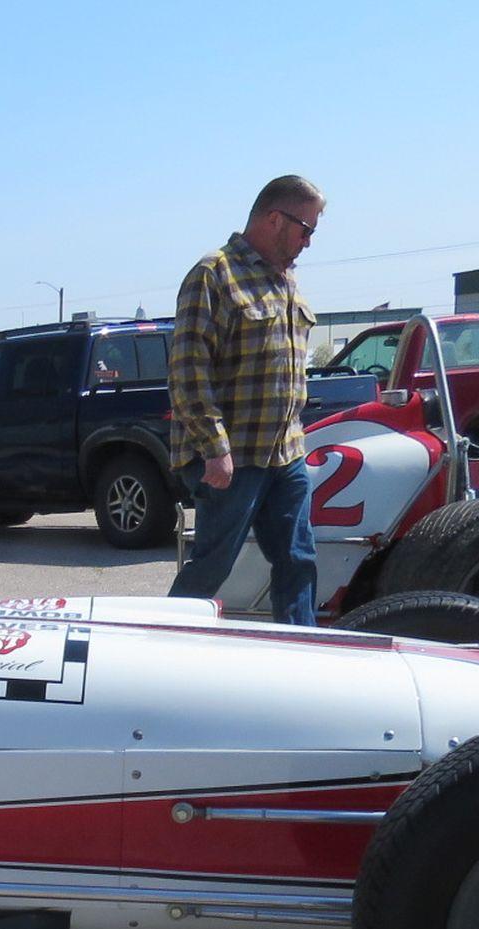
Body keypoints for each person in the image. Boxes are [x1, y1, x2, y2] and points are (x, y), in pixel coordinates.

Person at [166, 175, 323, 623]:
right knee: (212, 566)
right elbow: (187, 371)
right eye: (305, 229)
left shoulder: (286, 281)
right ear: (275, 218)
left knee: (298, 560)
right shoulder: (214, 274)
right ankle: (158, 644)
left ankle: (303, 654)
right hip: (232, 458)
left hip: (285, 455)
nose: (308, 242)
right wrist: (215, 449)